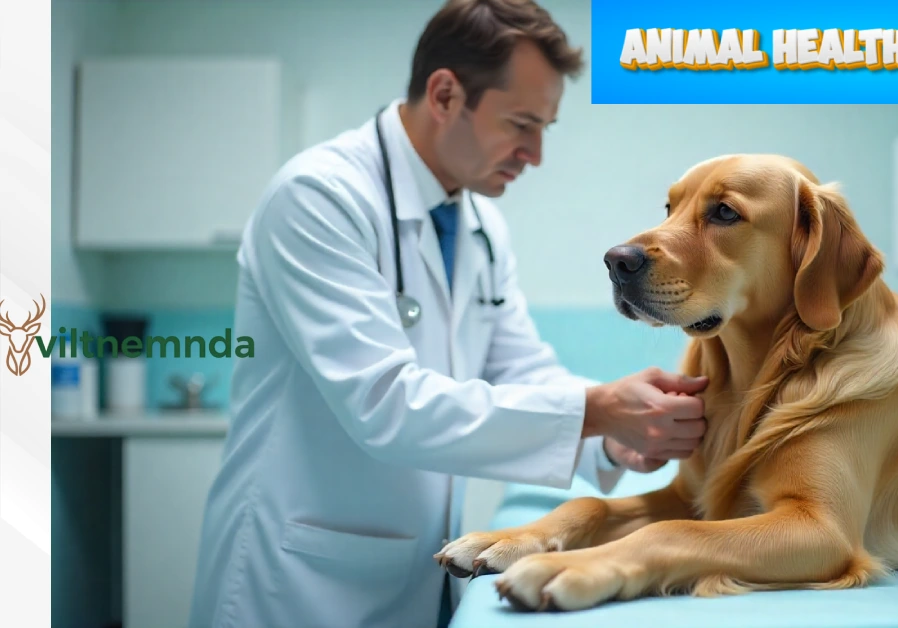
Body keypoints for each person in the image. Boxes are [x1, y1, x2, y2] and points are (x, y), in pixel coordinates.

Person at [186, 1, 709, 627]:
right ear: (444, 94)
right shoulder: (318, 198)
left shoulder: (479, 224)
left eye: (544, 127)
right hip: (298, 579)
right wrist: (601, 410)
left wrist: (617, 439)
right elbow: (385, 404)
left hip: (410, 571)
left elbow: (520, 368)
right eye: (520, 124)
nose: (535, 153)